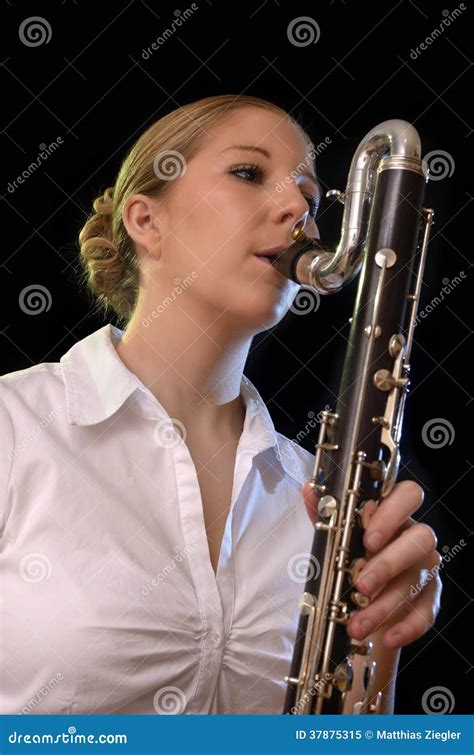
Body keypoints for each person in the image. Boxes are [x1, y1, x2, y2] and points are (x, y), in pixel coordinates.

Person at [0, 94, 441, 715]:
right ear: (146, 221)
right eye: (247, 173)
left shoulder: (321, 492)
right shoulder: (13, 427)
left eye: (311, 201)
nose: (298, 214)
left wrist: (378, 652)